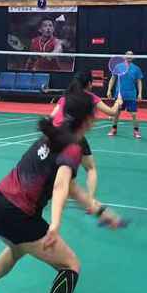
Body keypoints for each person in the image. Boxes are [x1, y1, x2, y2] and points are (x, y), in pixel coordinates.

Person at [0, 90, 125, 293]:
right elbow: (61, 185)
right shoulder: (73, 145)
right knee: (70, 265)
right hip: (18, 214)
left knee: (18, 248)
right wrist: (55, 224)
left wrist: (100, 211)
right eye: (95, 113)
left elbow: (71, 187)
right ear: (88, 118)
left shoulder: (55, 133)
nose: (98, 116)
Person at [49, 72, 123, 200]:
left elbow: (52, 117)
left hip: (55, 135)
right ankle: (90, 201)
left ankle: (53, 194)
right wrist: (118, 103)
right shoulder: (91, 97)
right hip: (74, 135)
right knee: (90, 168)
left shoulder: (65, 97)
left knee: (57, 168)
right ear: (89, 83)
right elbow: (111, 112)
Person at [106, 51, 144, 139]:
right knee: (116, 113)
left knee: (134, 114)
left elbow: (139, 81)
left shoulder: (136, 68)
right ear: (125, 56)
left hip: (131, 94)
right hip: (119, 95)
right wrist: (109, 90)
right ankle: (114, 129)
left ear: (133, 57)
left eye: (131, 55)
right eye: (128, 55)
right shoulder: (118, 66)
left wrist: (140, 93)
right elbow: (113, 78)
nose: (129, 56)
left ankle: (136, 131)